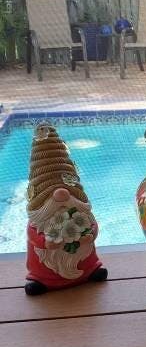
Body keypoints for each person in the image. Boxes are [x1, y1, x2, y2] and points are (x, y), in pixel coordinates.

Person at [25, 123, 107, 294]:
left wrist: (91, 234)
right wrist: (45, 242)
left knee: (90, 265)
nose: (61, 195)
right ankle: (42, 280)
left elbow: (93, 225)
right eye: (48, 194)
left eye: (68, 190)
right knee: (41, 276)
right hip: (47, 272)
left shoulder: (82, 214)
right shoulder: (39, 223)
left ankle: (91, 270)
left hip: (85, 265)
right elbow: (33, 235)